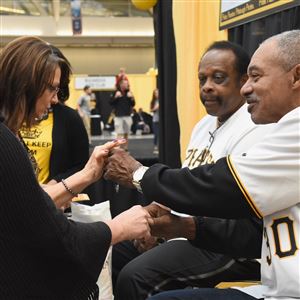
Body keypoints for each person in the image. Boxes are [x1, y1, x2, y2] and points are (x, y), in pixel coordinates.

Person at [104, 30, 300, 300]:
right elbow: (255, 231)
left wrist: (139, 174)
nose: (246, 89)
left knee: (139, 276)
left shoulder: (274, 128)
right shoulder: (205, 125)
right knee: (114, 252)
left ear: (296, 76)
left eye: (255, 77)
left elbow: (221, 188)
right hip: (272, 283)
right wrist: (176, 224)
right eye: (201, 79)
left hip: (251, 265)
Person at [0, 36, 151, 299]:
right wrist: (120, 227)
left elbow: (30, 204)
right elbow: (52, 233)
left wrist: (87, 175)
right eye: (51, 89)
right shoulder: (5, 141)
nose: (56, 99)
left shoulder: (10, 135)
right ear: (26, 85)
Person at [19, 46, 90, 202]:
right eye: (51, 88)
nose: (55, 98)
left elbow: (80, 164)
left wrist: (55, 186)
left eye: (56, 89)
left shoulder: (69, 118)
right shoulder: (9, 124)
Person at [110, 78, 135, 150]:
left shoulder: (129, 92)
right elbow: (111, 103)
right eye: (125, 84)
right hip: (118, 116)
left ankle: (125, 148)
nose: (127, 85)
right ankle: (118, 148)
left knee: (126, 133)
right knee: (119, 132)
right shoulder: (116, 92)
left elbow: (133, 104)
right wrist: (116, 97)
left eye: (127, 84)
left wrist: (131, 98)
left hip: (127, 115)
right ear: (121, 84)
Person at [150, 88, 159, 154]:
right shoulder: (153, 101)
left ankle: (160, 147)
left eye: (158, 93)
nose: (157, 94)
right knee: (156, 134)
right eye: (155, 93)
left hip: (161, 120)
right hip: (155, 120)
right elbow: (151, 110)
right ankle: (155, 146)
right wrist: (155, 108)